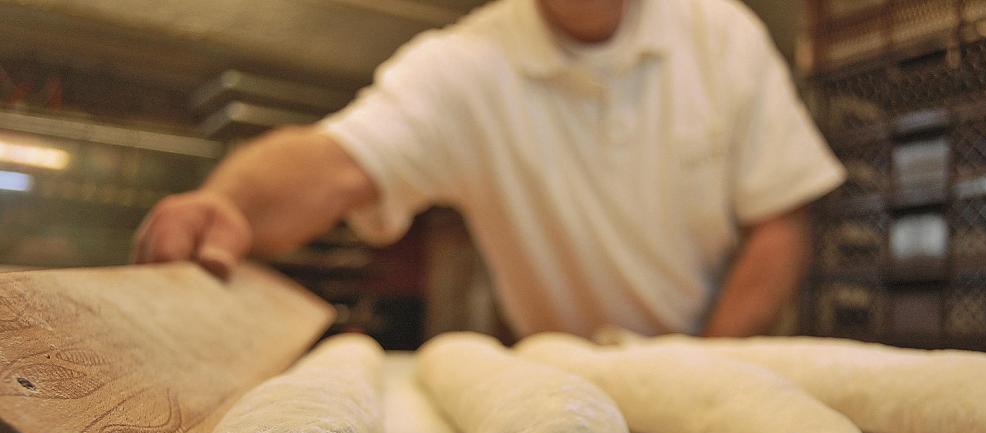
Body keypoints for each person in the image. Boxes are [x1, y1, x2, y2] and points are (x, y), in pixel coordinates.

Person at [132, 0, 845, 339]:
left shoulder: (721, 37)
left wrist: (704, 372)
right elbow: (332, 165)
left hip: (726, 364)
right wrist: (228, 204)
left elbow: (779, 222)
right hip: (567, 379)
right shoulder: (467, 68)